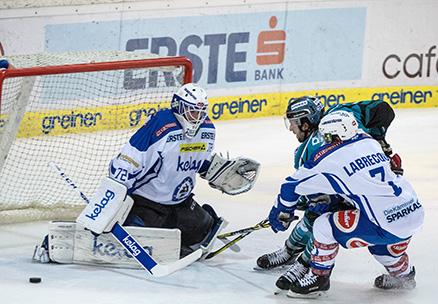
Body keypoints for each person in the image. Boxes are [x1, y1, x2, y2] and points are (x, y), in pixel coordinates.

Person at [33, 83, 260, 265]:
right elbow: (133, 153)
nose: (197, 117)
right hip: (147, 202)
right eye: (192, 111)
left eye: (201, 111)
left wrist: (215, 170)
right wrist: (120, 183)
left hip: (180, 202)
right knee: (125, 234)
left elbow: (194, 160)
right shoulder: (162, 124)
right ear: (179, 107)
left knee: (201, 232)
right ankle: (57, 241)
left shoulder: (208, 130)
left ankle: (184, 228)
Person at [256, 96, 404, 292]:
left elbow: (295, 186)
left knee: (321, 219)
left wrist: (291, 205)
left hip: (368, 190)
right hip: (375, 183)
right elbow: (382, 109)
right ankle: (290, 252)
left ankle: (304, 262)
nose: (291, 128)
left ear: (305, 121)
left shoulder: (306, 153)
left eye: (292, 123)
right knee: (317, 213)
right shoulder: (344, 113)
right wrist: (380, 141)